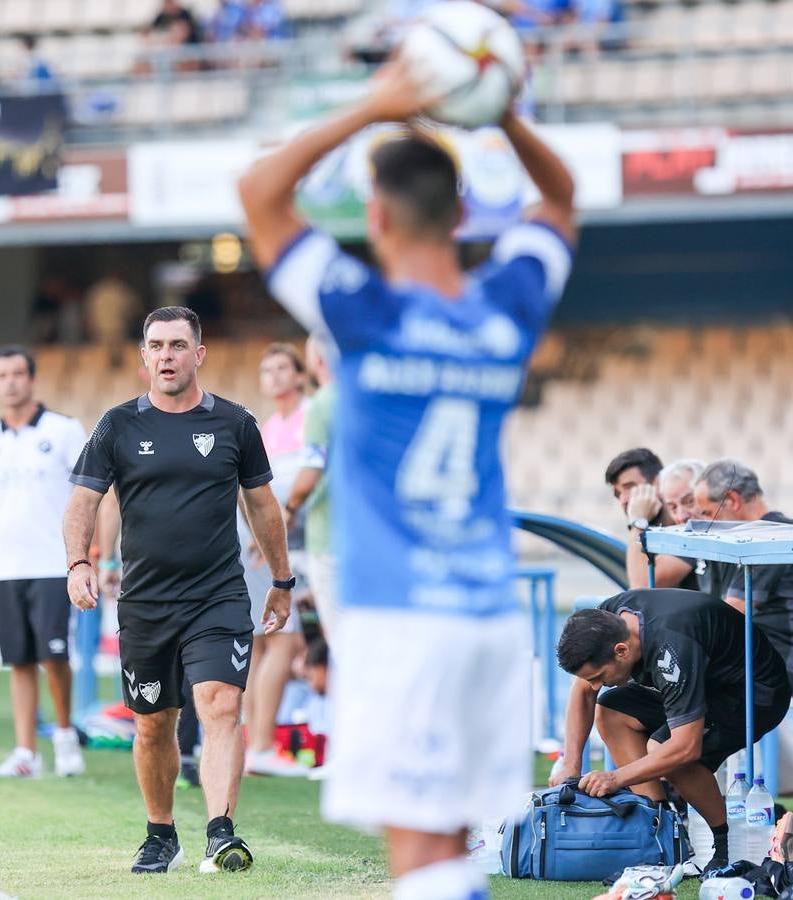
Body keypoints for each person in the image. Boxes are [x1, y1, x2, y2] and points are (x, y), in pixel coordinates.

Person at [238, 58, 576, 899]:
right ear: (463, 214)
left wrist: (375, 106)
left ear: (376, 214)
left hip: (400, 619)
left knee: (422, 864)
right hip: (488, 617)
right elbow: (560, 199)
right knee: (455, 854)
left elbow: (259, 191)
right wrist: (501, 113)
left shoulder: (362, 309)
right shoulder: (506, 306)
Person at [64, 305, 293, 875]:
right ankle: (161, 833)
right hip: (144, 601)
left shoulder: (236, 424)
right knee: (152, 722)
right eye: (156, 347)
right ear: (144, 357)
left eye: (177, 345)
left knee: (220, 703)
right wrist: (78, 562)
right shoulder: (117, 425)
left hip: (218, 595)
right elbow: (82, 501)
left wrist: (282, 581)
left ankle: (221, 831)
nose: (166, 356)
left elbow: (262, 506)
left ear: (199, 354)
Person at [552, 590, 793, 870]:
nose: (595, 685)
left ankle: (726, 843)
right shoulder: (607, 620)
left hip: (754, 693)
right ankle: (659, 832)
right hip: (704, 683)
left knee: (667, 751)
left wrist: (615, 778)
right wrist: (571, 764)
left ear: (622, 651)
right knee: (611, 710)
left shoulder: (671, 648)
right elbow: (583, 691)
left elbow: (685, 747)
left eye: (599, 677)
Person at [0, 346, 87, 779]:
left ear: (31, 379)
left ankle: (65, 734)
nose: (10, 382)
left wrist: (92, 551)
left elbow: (93, 495)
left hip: (54, 563)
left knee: (54, 657)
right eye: (1, 375)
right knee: (18, 660)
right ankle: (25, 751)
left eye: (17, 373)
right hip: (5, 568)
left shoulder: (64, 431)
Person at [692, 458, 793, 694]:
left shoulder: (771, 539)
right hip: (764, 659)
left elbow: (729, 616)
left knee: (684, 674)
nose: (705, 523)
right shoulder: (756, 538)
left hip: (786, 667)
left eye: (707, 513)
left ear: (732, 500)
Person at [242, 342, 309, 778]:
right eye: (267, 370)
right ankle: (261, 743)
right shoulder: (265, 429)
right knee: (273, 642)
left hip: (294, 543)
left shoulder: (310, 420)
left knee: (273, 643)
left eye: (283, 368)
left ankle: (258, 743)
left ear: (301, 375)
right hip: (269, 547)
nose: (275, 376)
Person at [283, 333, 338, 646]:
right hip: (368, 538)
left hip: (327, 536)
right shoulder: (365, 400)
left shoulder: (322, 404)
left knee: (339, 640)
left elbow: (313, 468)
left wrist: (289, 507)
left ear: (317, 362)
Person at [605, 447, 699, 591]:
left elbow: (642, 587)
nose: (623, 499)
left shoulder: (688, 524)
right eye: (618, 494)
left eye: (629, 487)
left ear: (658, 483)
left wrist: (638, 522)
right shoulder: (653, 532)